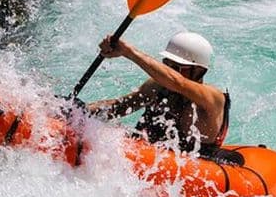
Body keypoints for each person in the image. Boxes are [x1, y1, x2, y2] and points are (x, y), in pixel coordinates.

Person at [87, 31, 241, 165]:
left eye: (177, 68)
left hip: (195, 166)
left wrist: (129, 52)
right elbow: (118, 107)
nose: (168, 71)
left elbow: (178, 82)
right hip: (150, 155)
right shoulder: (158, 86)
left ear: (199, 71)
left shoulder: (213, 98)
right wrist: (77, 109)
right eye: (166, 64)